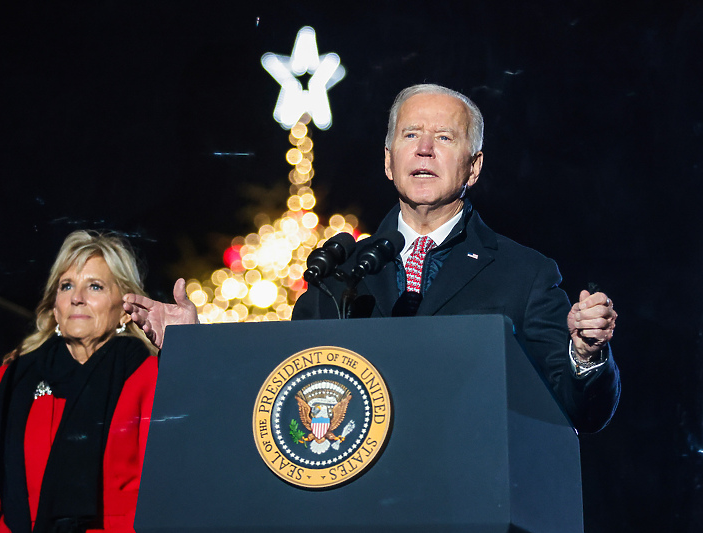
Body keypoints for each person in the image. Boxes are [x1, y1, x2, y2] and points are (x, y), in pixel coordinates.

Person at [125, 84, 620, 434]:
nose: (424, 148)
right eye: (410, 135)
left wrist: (586, 354)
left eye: (444, 138)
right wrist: (193, 346)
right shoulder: (335, 274)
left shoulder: (526, 274)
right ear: (388, 160)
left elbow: (579, 412)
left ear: (474, 167)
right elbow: (277, 393)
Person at [0, 230, 159, 533]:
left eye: (94, 286)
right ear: (55, 308)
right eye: (66, 285)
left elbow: (162, 488)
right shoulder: (15, 376)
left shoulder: (148, 375)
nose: (77, 298)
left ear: (125, 310)